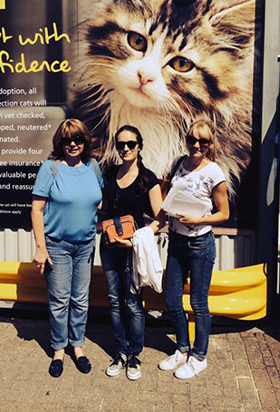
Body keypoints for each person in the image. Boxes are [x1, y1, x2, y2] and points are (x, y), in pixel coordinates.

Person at [31, 118, 103, 378]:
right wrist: (41, 247)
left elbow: (99, 201)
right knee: (60, 301)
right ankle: (59, 350)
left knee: (80, 300)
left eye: (78, 139)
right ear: (60, 143)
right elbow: (37, 209)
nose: (73, 144)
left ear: (85, 141)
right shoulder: (50, 168)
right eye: (67, 140)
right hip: (57, 246)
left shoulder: (93, 167)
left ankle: (77, 346)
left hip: (85, 245)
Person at [158, 118, 230, 379]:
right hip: (176, 241)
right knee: (172, 299)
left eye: (203, 141)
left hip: (200, 242)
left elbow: (224, 213)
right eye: (192, 140)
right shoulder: (179, 163)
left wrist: (199, 220)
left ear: (211, 144)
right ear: (186, 140)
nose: (196, 145)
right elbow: (168, 195)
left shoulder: (214, 172)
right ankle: (181, 348)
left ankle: (198, 357)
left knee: (198, 302)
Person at [100, 125, 164, 381]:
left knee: (134, 304)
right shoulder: (109, 174)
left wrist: (138, 240)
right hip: (109, 248)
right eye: (121, 144)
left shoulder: (148, 178)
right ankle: (119, 352)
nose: (125, 148)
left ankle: (134, 354)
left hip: (132, 250)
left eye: (130, 144)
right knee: (115, 301)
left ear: (139, 146)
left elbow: (161, 219)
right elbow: (102, 208)